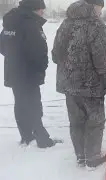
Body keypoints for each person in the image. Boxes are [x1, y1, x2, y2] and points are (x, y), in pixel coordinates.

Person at [51, 0, 106, 168]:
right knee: (94, 121)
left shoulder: (66, 24)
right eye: (100, 8)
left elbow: (55, 55)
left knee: (76, 121)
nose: (101, 12)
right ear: (93, 6)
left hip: (69, 85)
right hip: (91, 86)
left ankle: (81, 156)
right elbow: (102, 60)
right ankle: (93, 157)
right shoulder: (97, 26)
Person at [0, 0, 62, 148]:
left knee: (20, 104)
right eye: (41, 9)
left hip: (13, 71)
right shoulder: (31, 24)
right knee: (33, 105)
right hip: (29, 73)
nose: (42, 12)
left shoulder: (10, 22)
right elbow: (38, 51)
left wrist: (15, 58)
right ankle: (42, 140)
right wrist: (41, 68)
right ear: (34, 9)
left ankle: (26, 136)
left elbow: (2, 47)